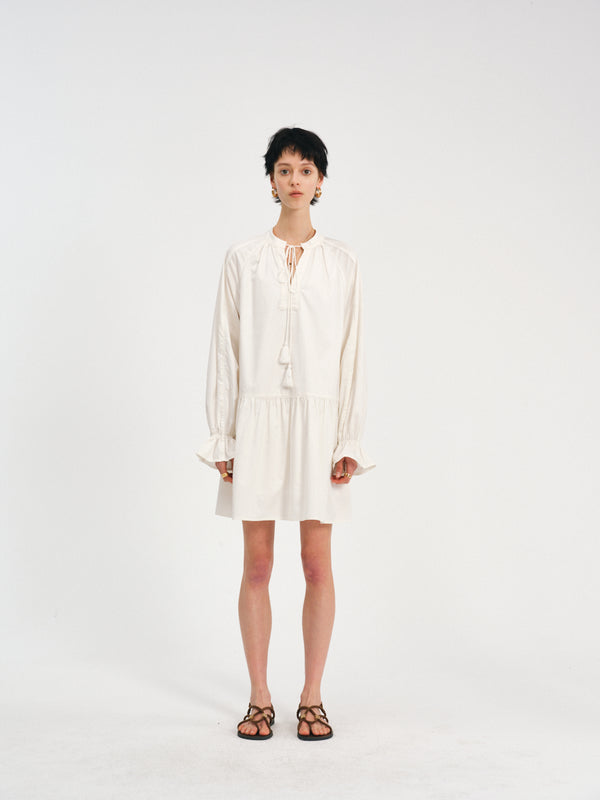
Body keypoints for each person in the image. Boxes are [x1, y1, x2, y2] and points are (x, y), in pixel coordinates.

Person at [196, 127, 375, 740]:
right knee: (257, 565)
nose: (294, 179)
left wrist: (348, 438)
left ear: (320, 182)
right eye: (284, 169)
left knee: (317, 564)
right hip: (257, 421)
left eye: (305, 170)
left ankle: (313, 698)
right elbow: (225, 348)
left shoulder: (343, 261)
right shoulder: (243, 259)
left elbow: (353, 353)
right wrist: (224, 436)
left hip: (320, 427)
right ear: (270, 180)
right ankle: (259, 698)